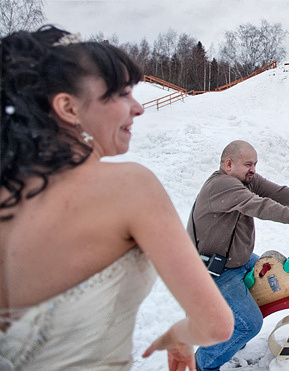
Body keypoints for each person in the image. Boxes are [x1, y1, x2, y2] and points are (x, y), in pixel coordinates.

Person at [0, 26, 233, 370]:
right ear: (68, 107)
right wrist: (180, 335)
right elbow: (215, 325)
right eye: (122, 94)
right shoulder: (130, 187)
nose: (138, 108)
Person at [188, 140, 289, 371]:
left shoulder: (246, 180)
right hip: (214, 272)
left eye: (255, 164)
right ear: (228, 164)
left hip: (237, 262)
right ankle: (203, 364)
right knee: (249, 324)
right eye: (248, 164)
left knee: (277, 277)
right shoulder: (222, 185)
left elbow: (277, 193)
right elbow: (261, 206)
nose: (253, 169)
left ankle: (230, 335)